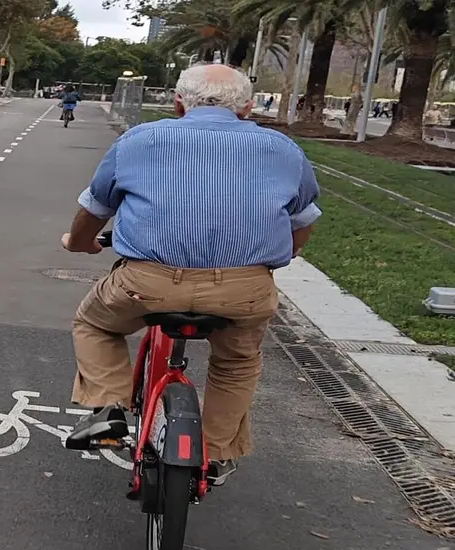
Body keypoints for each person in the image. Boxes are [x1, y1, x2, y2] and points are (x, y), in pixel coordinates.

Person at [60, 64, 321, 486]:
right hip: (244, 288)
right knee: (236, 362)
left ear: (178, 102)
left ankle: (108, 408)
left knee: (93, 323)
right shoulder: (284, 149)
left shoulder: (140, 140)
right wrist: (273, 261)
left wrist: (78, 243)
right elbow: (303, 220)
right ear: (248, 107)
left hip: (147, 283)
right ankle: (215, 452)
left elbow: (95, 210)